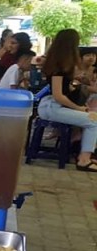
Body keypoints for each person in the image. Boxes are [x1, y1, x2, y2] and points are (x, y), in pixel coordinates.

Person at [37, 28, 97, 172]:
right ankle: (84, 159)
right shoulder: (59, 68)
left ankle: (85, 156)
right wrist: (79, 108)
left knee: (93, 119)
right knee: (93, 122)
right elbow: (58, 96)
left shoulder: (61, 65)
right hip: (52, 107)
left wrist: (75, 83)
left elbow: (64, 90)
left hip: (54, 106)